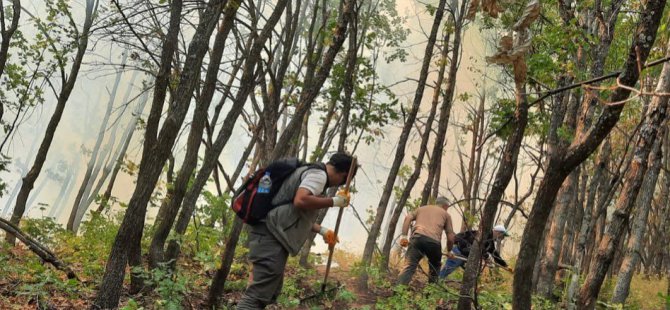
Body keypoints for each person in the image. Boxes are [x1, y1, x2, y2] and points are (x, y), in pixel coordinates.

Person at [236, 153, 357, 309]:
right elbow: (300, 201)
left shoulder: (311, 171)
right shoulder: (319, 176)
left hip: (269, 234)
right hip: (269, 237)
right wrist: (333, 201)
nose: (338, 185)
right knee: (256, 297)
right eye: (343, 182)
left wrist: (321, 230)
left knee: (267, 293)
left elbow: (290, 214)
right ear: (344, 175)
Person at [397, 197, 455, 285]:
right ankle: (430, 295)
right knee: (434, 269)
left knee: (409, 266)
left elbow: (408, 218)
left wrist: (404, 236)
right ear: (445, 206)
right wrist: (449, 251)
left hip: (417, 239)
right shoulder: (446, 215)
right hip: (434, 243)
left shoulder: (421, 209)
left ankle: (397, 293)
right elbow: (450, 236)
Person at [439, 224, 512, 279]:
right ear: (498, 232)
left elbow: (495, 255)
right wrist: (486, 255)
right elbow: (478, 246)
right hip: (458, 253)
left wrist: (505, 265)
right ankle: (435, 283)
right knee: (447, 270)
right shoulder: (482, 235)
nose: (502, 238)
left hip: (467, 258)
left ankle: (467, 290)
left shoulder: (490, 242)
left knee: (472, 275)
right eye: (502, 236)